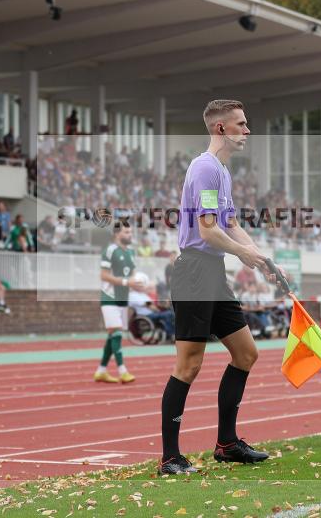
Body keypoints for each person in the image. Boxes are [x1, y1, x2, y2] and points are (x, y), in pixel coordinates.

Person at [160, 99, 274, 476]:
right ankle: (170, 458)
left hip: (213, 272)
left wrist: (261, 258)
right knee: (189, 365)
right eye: (241, 124)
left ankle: (226, 444)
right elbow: (208, 231)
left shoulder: (222, 170)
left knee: (246, 353)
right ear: (221, 128)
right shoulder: (205, 168)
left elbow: (230, 224)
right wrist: (245, 255)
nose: (247, 130)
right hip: (194, 272)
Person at [96, 222, 144, 384]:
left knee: (113, 335)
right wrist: (126, 282)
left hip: (123, 298)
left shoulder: (131, 252)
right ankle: (122, 371)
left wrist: (139, 285)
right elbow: (103, 275)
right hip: (109, 297)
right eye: (126, 231)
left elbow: (133, 276)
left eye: (131, 231)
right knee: (116, 333)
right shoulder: (110, 250)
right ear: (117, 234)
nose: (130, 234)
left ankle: (101, 371)